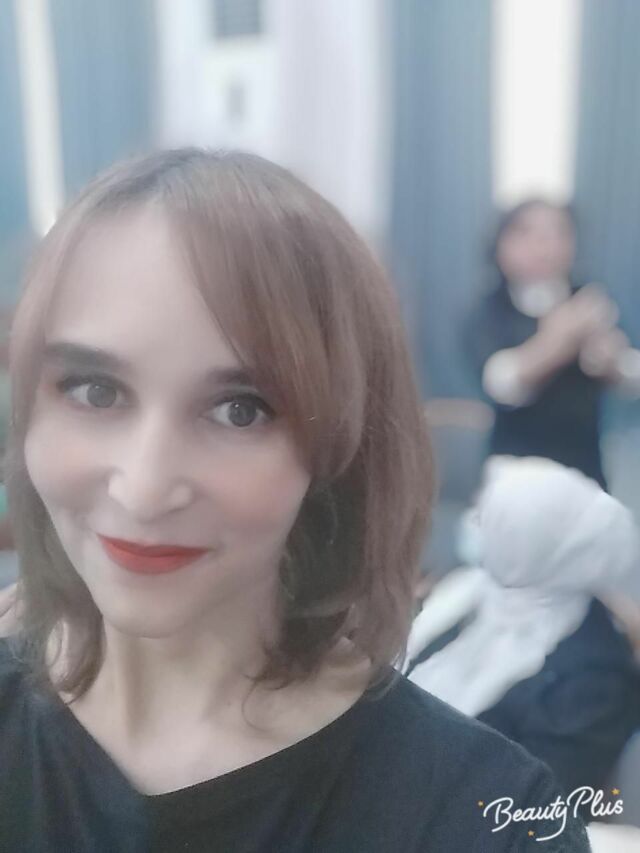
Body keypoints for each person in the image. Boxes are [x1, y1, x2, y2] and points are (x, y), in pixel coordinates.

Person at [0, 150, 590, 851]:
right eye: (96, 391)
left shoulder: (485, 819)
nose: (145, 488)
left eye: (240, 409)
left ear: (341, 448)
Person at [407, 457, 640, 796]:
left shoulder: (594, 682)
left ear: (532, 547)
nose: (473, 524)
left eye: (492, 521)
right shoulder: (469, 591)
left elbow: (534, 805)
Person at [465, 198, 640, 489]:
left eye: (558, 233)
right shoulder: (488, 310)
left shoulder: (591, 298)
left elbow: (632, 374)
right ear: (500, 244)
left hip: (586, 475)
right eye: (527, 233)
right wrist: (559, 339)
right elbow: (500, 384)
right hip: (512, 475)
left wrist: (611, 361)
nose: (544, 246)